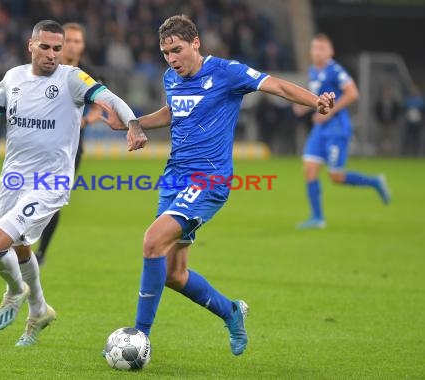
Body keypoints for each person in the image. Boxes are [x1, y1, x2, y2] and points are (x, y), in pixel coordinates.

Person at [100, 15, 334, 357]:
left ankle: (140, 337)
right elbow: (172, 112)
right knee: (173, 274)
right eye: (166, 53)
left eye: (177, 50)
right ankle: (231, 311)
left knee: (152, 242)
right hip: (174, 179)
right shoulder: (171, 78)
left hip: (208, 180)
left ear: (195, 43)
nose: (172, 59)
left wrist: (316, 102)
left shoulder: (227, 72)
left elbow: (278, 86)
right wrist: (133, 124)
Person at [0, 20, 146, 347]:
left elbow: (110, 99)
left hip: (49, 182)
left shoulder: (72, 79)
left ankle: (14, 292)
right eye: (46, 47)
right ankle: (39, 310)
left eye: (58, 48)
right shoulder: (13, 77)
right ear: (31, 45)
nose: (53, 54)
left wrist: (134, 124)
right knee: (20, 246)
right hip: (12, 179)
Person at [294, 34, 390, 229]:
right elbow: (318, 97)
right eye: (314, 48)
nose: (317, 52)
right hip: (320, 129)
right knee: (309, 169)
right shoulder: (313, 71)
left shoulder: (335, 70)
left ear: (331, 52)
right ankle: (317, 218)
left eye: (322, 48)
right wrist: (304, 106)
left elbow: (353, 93)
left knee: (336, 177)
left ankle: (375, 182)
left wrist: (330, 113)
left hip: (336, 128)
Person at [34, 22, 103, 266]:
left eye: (77, 41)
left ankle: (40, 252)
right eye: (69, 40)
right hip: (38, 145)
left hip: (70, 150)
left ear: (82, 46)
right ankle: (20, 242)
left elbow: (101, 104)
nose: (73, 45)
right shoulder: (46, 70)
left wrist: (86, 120)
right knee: (27, 193)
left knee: (53, 200)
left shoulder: (87, 73)